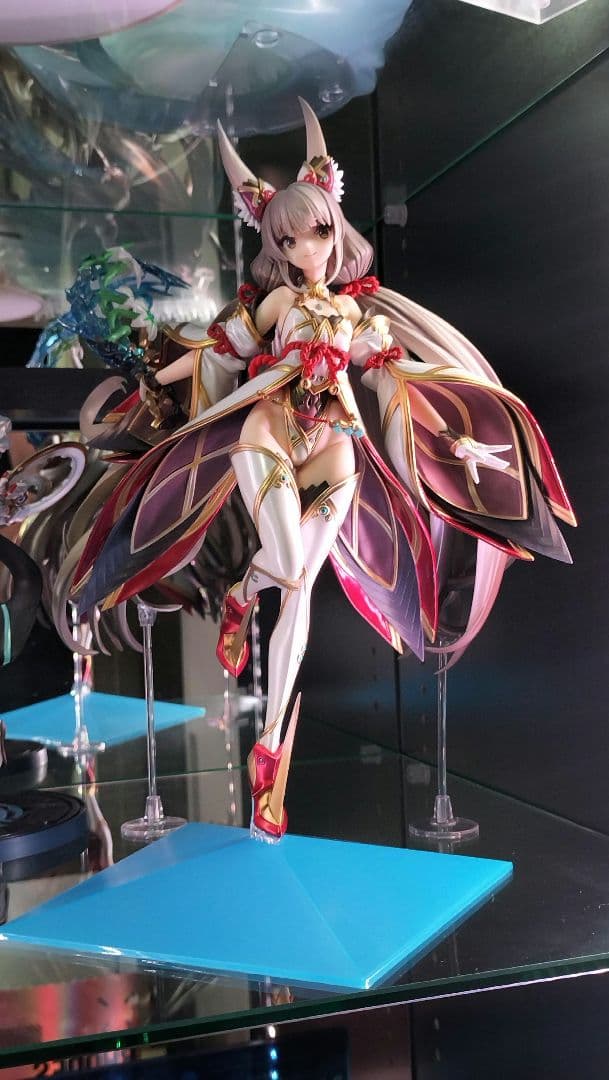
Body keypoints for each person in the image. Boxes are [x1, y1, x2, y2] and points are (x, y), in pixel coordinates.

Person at [71, 100, 575, 842]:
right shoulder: (275, 301)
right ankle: (248, 593)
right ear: (272, 243)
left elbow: (398, 383)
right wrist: (153, 375)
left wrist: (454, 442)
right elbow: (219, 354)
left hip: (334, 440)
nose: (306, 247)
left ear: (335, 228)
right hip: (268, 431)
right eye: (288, 237)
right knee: (290, 568)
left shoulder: (362, 318)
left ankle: (270, 743)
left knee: (301, 584)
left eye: (317, 231)